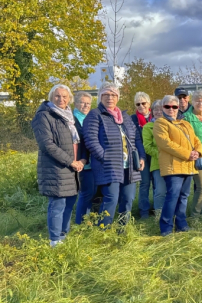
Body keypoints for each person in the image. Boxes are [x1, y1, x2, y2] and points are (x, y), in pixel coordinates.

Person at [83, 82, 145, 227]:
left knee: (128, 198)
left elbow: (136, 139)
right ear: (100, 97)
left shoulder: (125, 117)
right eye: (106, 94)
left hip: (129, 165)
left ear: (117, 97)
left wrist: (141, 157)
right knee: (111, 198)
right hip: (109, 166)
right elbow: (91, 140)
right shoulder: (95, 115)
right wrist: (104, 157)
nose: (110, 98)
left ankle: (123, 230)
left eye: (113, 95)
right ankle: (104, 231)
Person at [32, 85, 85, 247]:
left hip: (73, 168)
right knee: (58, 204)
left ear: (69, 99)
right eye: (57, 96)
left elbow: (81, 140)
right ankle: (55, 240)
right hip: (56, 167)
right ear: (51, 97)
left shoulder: (70, 117)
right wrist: (70, 161)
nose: (61, 99)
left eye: (64, 96)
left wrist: (82, 159)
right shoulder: (44, 116)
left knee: (69, 202)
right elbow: (47, 144)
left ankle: (63, 235)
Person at [153, 95, 202, 236]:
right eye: (167, 106)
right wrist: (188, 154)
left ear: (178, 108)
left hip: (187, 166)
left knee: (183, 196)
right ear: (163, 108)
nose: (171, 109)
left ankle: (181, 224)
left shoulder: (185, 124)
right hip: (173, 167)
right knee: (172, 196)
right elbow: (166, 144)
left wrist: (198, 153)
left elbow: (196, 140)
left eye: (174, 106)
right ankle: (166, 227)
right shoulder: (160, 123)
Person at [73, 91, 96, 224]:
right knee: (86, 193)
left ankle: (88, 220)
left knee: (92, 193)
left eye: (88, 103)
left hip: (92, 162)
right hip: (82, 162)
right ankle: (80, 223)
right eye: (82, 102)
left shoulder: (90, 117)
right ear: (76, 104)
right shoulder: (74, 119)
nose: (86, 105)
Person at [142, 100, 167, 219]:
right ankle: (159, 217)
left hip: (173, 164)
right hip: (157, 164)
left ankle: (172, 215)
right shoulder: (148, 127)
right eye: (156, 109)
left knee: (172, 191)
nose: (158, 112)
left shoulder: (171, 124)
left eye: (161, 109)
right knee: (160, 191)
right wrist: (163, 155)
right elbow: (147, 147)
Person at [130, 92, 152, 219]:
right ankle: (144, 211)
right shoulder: (133, 119)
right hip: (141, 155)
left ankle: (156, 208)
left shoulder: (155, 116)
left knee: (156, 182)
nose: (141, 106)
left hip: (154, 154)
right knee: (144, 183)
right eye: (138, 104)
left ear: (148, 103)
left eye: (143, 103)